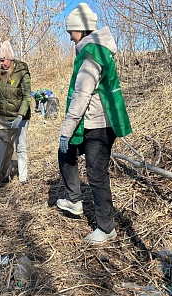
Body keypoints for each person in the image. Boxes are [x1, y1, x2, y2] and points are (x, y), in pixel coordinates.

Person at [57, 3, 132, 245]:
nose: (70, 37)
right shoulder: (95, 51)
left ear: (81, 30)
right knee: (66, 153)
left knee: (96, 174)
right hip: (94, 122)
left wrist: (66, 130)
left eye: (71, 32)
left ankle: (106, 227)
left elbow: (81, 97)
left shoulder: (90, 56)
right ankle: (75, 200)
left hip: (97, 124)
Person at [0, 41, 32, 184]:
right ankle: (5, 175)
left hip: (20, 118)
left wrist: (20, 116)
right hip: (4, 118)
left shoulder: (22, 73)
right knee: (4, 147)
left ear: (10, 59)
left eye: (3, 60)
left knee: (20, 146)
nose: (1, 64)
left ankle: (23, 177)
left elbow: (27, 96)